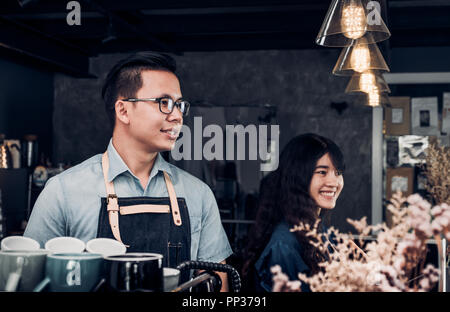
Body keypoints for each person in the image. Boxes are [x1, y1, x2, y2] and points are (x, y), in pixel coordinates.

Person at [24, 51, 233, 291]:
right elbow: (29, 280)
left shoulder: (199, 194)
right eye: (164, 103)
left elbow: (218, 282)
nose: (177, 116)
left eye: (179, 105)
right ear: (123, 111)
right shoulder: (62, 192)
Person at [241, 133, 345, 292]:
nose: (334, 183)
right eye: (322, 172)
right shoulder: (283, 245)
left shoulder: (319, 228)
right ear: (299, 177)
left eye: (338, 172)